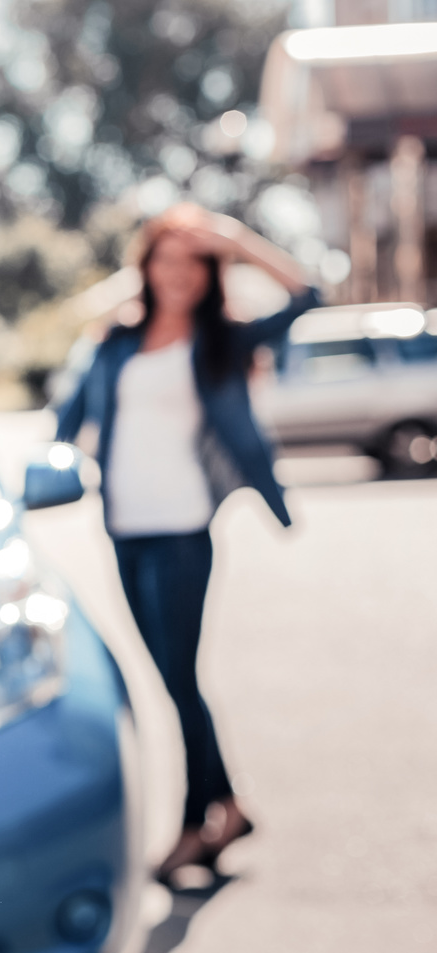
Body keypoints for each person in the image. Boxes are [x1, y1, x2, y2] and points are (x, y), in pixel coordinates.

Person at [55, 204, 319, 883]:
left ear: (210, 273)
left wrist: (231, 237)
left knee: (179, 680)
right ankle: (228, 804)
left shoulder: (221, 340)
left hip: (182, 531)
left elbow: (308, 294)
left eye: (193, 263)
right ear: (146, 267)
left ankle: (192, 825)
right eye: (164, 260)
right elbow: (71, 418)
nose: (178, 275)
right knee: (172, 680)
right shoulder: (116, 340)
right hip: (124, 529)